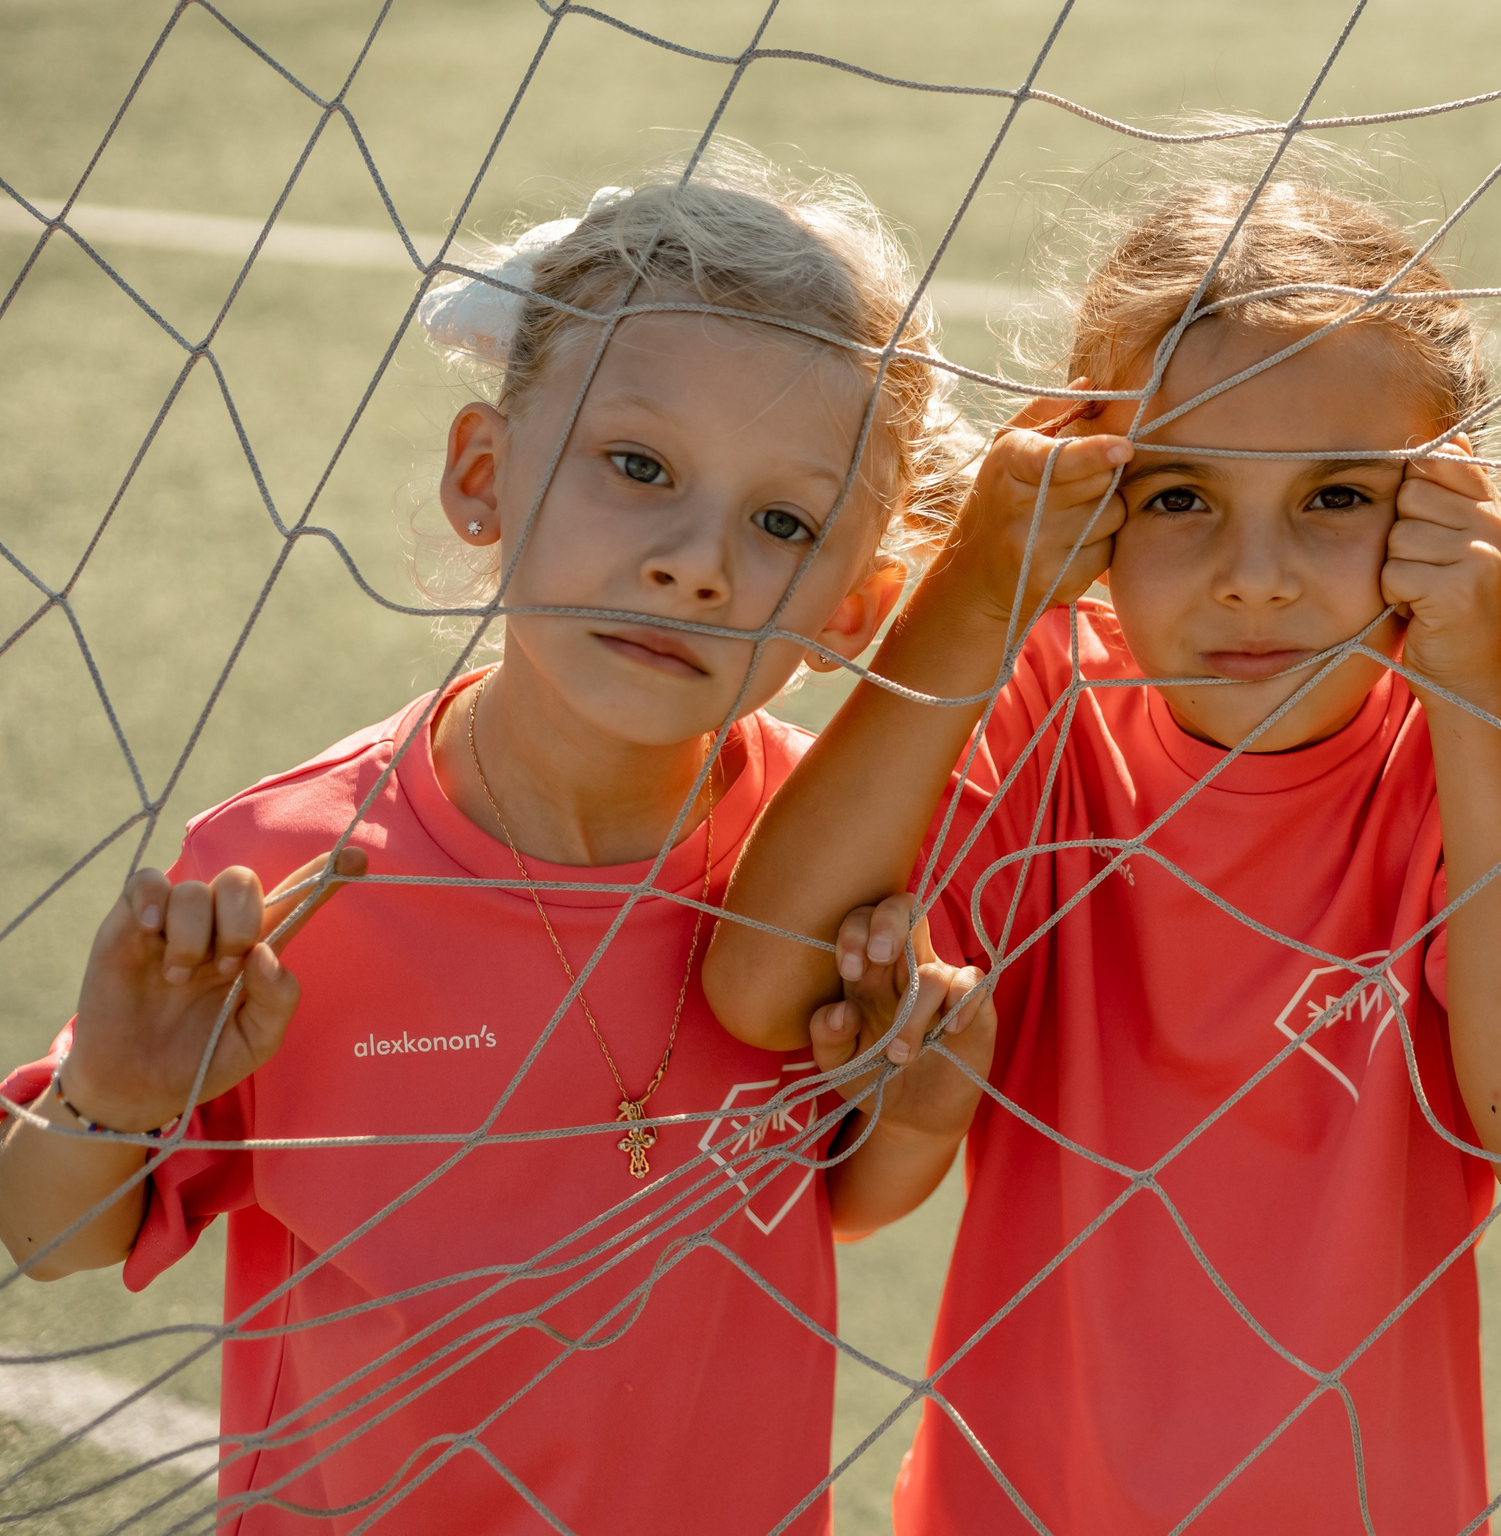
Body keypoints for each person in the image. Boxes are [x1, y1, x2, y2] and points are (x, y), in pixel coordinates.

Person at [0, 153, 990, 1535]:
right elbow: (54, 1234)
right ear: (484, 474)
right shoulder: (296, 865)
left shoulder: (834, 850)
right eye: (636, 466)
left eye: (784, 523)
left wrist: (920, 1104)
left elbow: (831, 1201)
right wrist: (113, 1087)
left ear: (854, 605)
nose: (695, 562)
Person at [704, 169, 1501, 1532]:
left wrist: (1472, 691)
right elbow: (760, 986)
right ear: (1096, 502)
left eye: (1335, 497)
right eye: (1182, 494)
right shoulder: (1038, 703)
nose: (1255, 574)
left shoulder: (1483, 737)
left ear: (1445, 508)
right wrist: (974, 591)